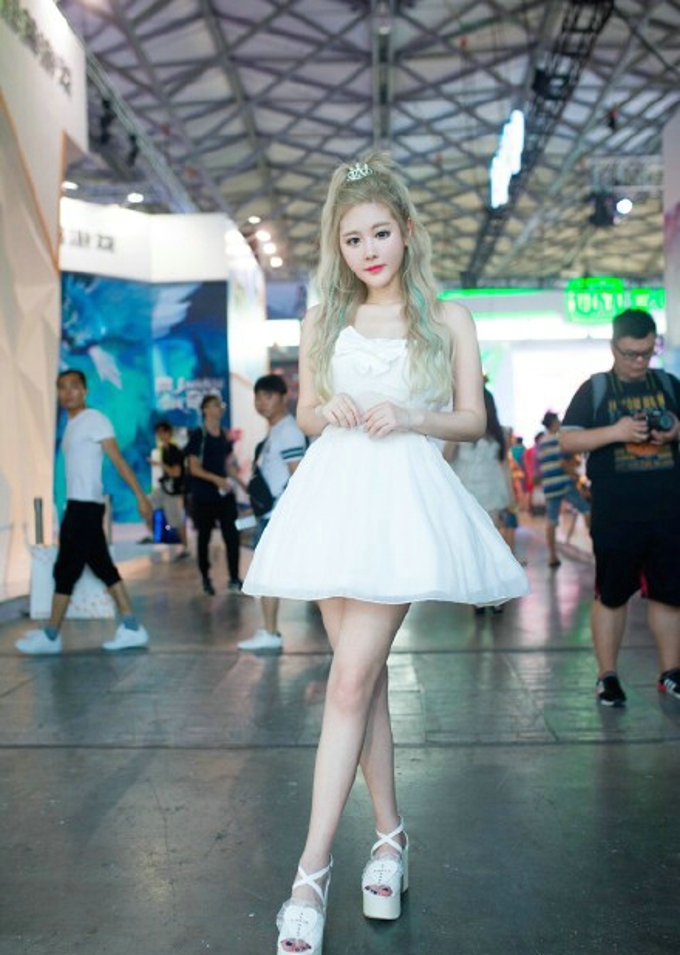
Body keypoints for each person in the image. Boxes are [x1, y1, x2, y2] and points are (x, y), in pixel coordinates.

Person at [241, 153, 528, 954]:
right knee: (360, 685)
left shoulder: (449, 317)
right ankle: (391, 838)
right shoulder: (323, 320)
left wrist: (408, 414)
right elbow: (305, 411)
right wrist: (328, 407)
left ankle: (309, 875)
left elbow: (472, 420)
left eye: (379, 232)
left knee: (346, 683)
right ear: (338, 247)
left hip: (401, 504)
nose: (368, 250)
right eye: (352, 239)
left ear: (406, 230)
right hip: (331, 499)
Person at [560, 308, 680, 707]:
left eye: (646, 352)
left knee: (669, 595)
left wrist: (675, 432)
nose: (639, 362)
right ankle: (607, 676)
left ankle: (671, 673)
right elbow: (567, 441)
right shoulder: (595, 389)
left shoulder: (668, 385)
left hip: (668, 510)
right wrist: (617, 431)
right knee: (611, 594)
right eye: (630, 354)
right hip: (616, 513)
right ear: (614, 347)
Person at [16, 369, 152, 655]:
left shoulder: (94, 419)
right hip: (79, 506)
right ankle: (131, 627)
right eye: (62, 387)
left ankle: (51, 636)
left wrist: (141, 496)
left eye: (74, 386)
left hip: (85, 507)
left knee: (65, 570)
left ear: (85, 390)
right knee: (102, 567)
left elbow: (118, 460)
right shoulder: (71, 425)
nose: (68, 393)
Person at [237, 374, 307, 652]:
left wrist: (287, 515)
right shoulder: (276, 431)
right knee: (267, 573)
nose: (261, 402)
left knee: (268, 573)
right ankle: (269, 631)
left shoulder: (288, 431)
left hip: (279, 516)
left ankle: (271, 632)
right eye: (258, 397)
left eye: (268, 396)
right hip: (271, 515)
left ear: (284, 397)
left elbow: (298, 476)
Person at [446, 389, 520, 606]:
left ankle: (496, 594)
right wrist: (453, 434)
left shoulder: (500, 432)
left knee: (492, 541)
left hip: (492, 490)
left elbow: (504, 465)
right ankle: (478, 597)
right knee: (472, 544)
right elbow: (446, 458)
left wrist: (511, 496)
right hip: (467, 492)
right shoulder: (458, 429)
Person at [185, 394, 242, 595]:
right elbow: (193, 467)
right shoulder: (198, 435)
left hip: (224, 495)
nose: (219, 408)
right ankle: (205, 578)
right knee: (204, 538)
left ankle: (234, 578)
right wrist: (215, 479)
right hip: (204, 496)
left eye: (220, 404)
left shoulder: (224, 435)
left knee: (232, 536)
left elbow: (228, 465)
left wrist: (243, 485)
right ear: (205, 410)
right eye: (214, 405)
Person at [536, 410, 590, 567]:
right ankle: (596, 543)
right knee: (586, 510)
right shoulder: (558, 440)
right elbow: (563, 462)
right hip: (564, 483)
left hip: (549, 485)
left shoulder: (541, 443)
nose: (560, 423)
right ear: (553, 423)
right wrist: (575, 475)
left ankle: (552, 556)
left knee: (551, 520)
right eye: (558, 421)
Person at [148, 420, 190, 559]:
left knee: (177, 521)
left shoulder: (174, 451)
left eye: (163, 432)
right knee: (146, 505)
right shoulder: (164, 450)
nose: (160, 435)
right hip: (165, 488)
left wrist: (160, 464)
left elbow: (176, 473)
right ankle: (154, 534)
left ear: (169, 433)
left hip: (173, 492)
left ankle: (185, 547)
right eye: (158, 433)